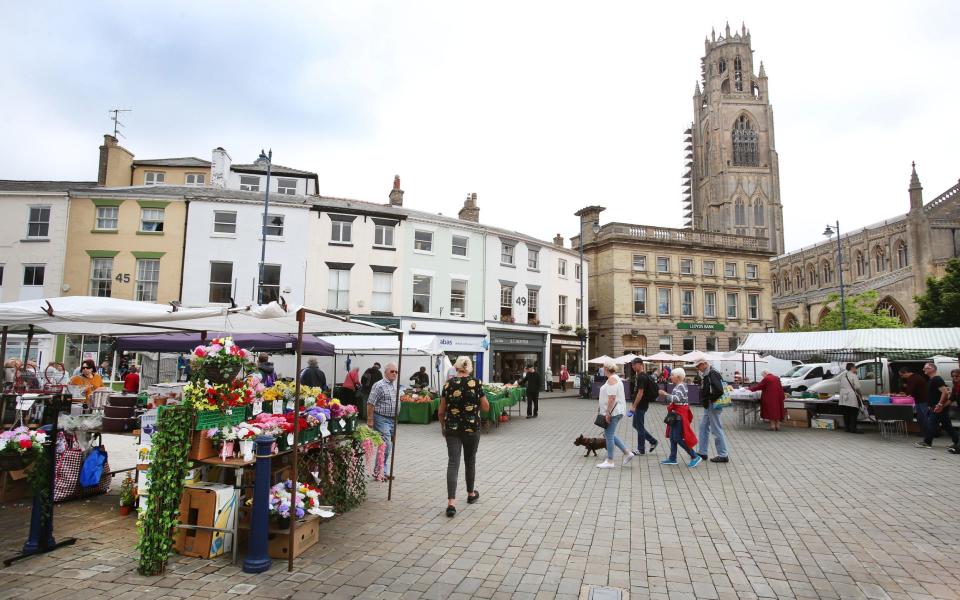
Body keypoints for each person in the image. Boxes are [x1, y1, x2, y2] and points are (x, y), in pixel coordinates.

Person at [439, 356, 490, 517]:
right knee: (470, 461)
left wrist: (443, 427)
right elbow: (486, 407)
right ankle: (470, 494)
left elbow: (441, 411)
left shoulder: (448, 384)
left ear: (456, 367)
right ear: (469, 368)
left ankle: (451, 503)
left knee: (453, 463)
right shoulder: (476, 383)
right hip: (471, 429)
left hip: (452, 429)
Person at [596, 362, 636, 469]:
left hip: (613, 412)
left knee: (608, 435)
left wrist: (608, 412)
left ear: (606, 369)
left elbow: (612, 397)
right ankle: (627, 452)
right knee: (609, 434)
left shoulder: (612, 379)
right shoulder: (616, 378)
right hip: (616, 411)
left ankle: (610, 460)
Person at [658, 368, 700, 467]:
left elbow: (676, 399)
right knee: (673, 437)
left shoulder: (680, 386)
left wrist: (665, 394)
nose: (670, 377)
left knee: (677, 437)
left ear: (678, 377)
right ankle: (672, 458)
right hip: (676, 414)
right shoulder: (679, 386)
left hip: (679, 415)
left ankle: (694, 456)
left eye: (672, 375)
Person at [367, 362, 399, 477]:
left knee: (387, 445)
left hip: (393, 419)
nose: (395, 373)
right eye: (392, 371)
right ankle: (380, 472)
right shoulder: (379, 385)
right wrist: (370, 419)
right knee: (386, 445)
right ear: (385, 372)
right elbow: (370, 403)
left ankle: (381, 471)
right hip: (381, 418)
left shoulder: (395, 385)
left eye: (396, 372)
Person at [695, 359, 730, 462]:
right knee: (703, 427)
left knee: (716, 429)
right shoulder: (708, 373)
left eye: (699, 366)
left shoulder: (711, 373)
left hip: (713, 405)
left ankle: (723, 454)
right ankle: (702, 452)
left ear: (705, 364)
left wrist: (710, 399)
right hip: (709, 405)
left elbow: (719, 390)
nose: (698, 368)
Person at [916, 363, 957, 450]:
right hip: (935, 406)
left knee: (931, 424)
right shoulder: (932, 379)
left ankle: (927, 442)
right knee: (946, 426)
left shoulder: (937, 379)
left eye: (925, 368)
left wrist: (940, 404)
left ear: (932, 369)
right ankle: (957, 441)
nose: (924, 370)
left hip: (937, 407)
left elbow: (945, 392)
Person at [629, 357, 659, 454]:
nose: (633, 366)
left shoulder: (642, 376)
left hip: (641, 404)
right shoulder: (640, 375)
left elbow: (640, 393)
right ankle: (653, 441)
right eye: (632, 364)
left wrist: (634, 406)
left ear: (640, 364)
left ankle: (641, 449)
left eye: (634, 364)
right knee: (635, 425)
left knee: (640, 427)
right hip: (641, 404)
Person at [839, 362, 864, 434]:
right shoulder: (853, 375)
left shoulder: (843, 375)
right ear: (852, 368)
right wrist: (860, 394)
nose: (856, 369)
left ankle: (847, 428)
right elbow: (857, 387)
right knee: (853, 412)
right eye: (855, 367)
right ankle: (853, 428)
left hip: (843, 396)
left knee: (846, 412)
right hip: (851, 395)